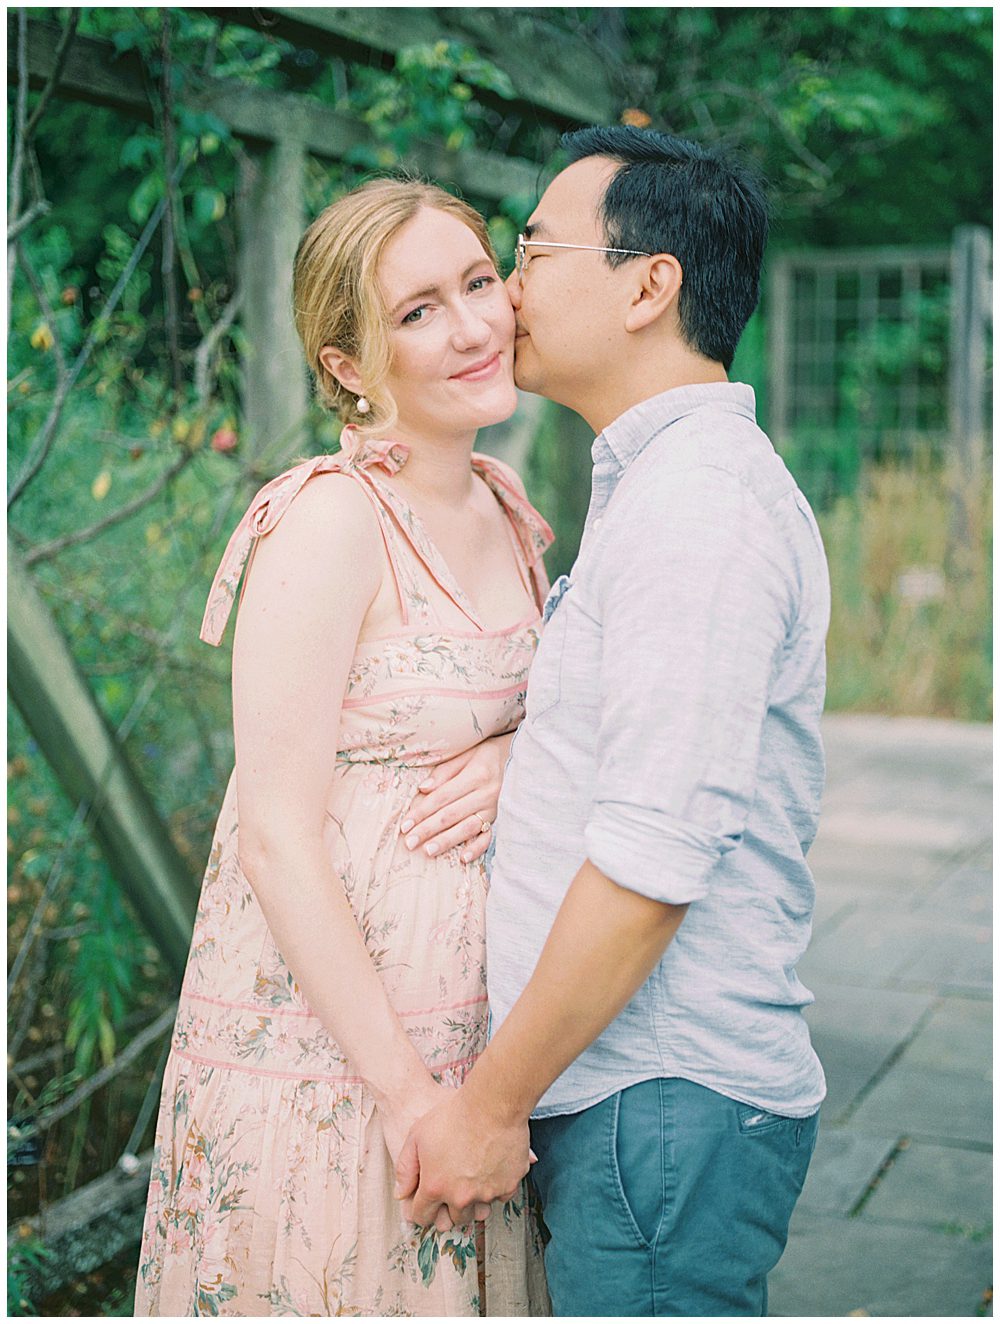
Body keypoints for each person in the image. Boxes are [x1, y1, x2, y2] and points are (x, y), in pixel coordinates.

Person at [396, 125, 831, 1317]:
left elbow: (652, 861)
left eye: (531, 249)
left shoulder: (699, 507)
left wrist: (487, 1104)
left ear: (649, 284)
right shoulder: (661, 489)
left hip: (663, 1105)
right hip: (649, 1107)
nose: (507, 288)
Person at [134, 178, 551, 1317]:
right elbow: (273, 835)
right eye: (416, 310)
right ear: (348, 366)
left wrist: (520, 757)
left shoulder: (507, 509)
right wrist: (410, 1097)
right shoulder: (324, 522)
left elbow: (542, 709)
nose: (471, 325)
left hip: (474, 1043)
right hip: (336, 1062)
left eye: (477, 282)